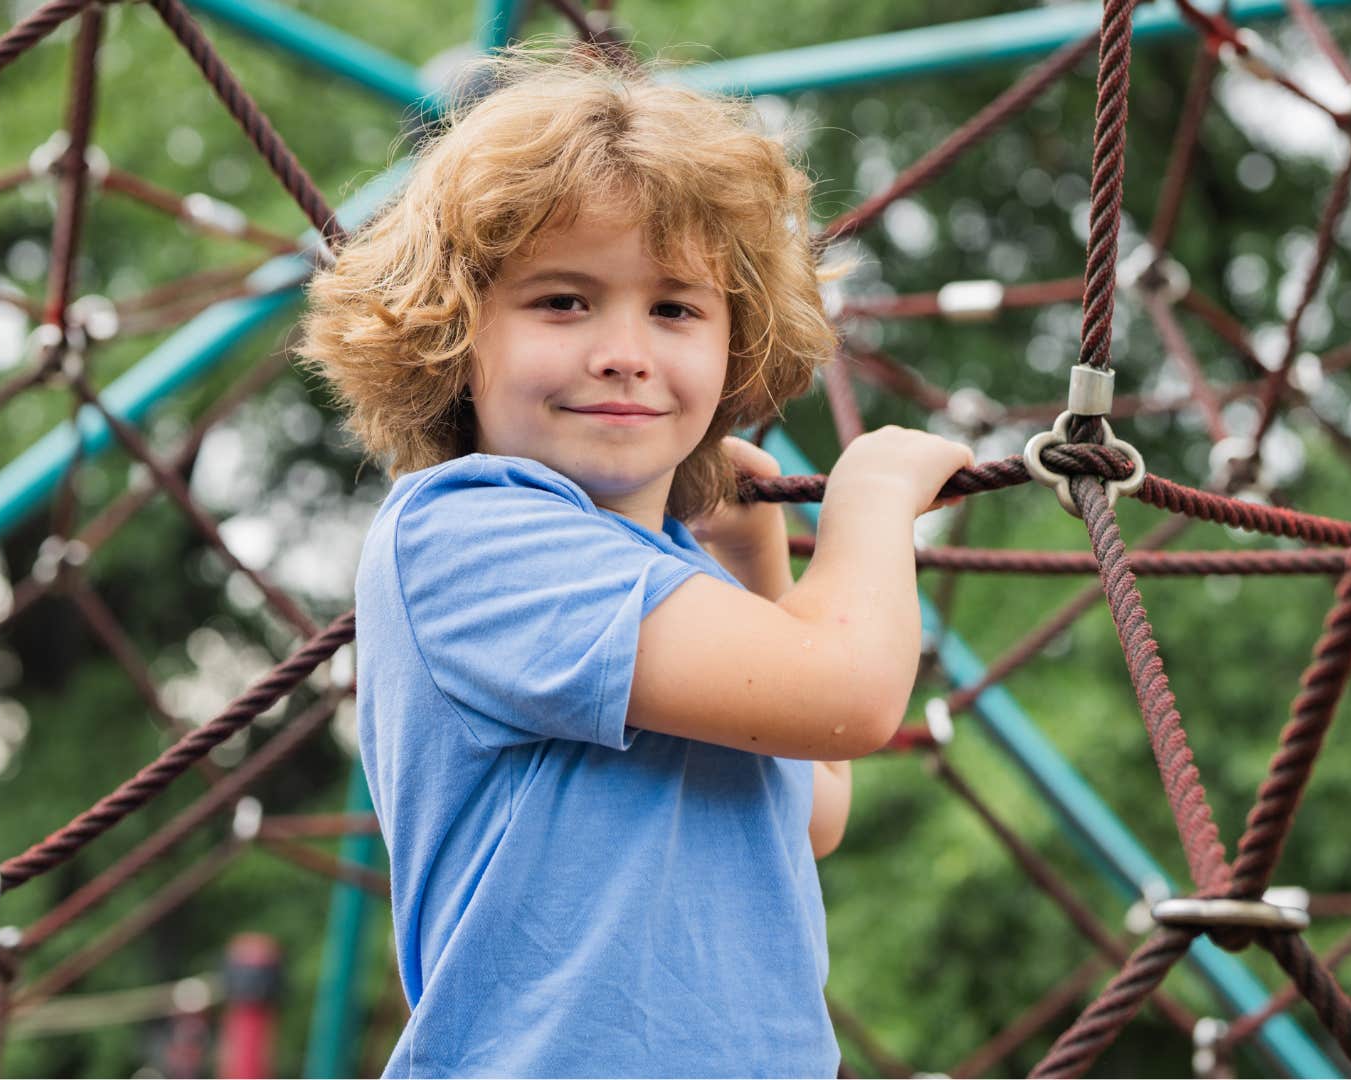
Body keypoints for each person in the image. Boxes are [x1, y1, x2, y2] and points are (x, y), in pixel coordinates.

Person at [296, 47, 973, 1078]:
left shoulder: (654, 568)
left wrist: (755, 563)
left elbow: (815, 806)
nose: (624, 349)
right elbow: (848, 696)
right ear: (453, 335)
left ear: (735, 342)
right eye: (563, 302)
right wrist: (872, 500)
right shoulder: (471, 534)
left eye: (675, 308)